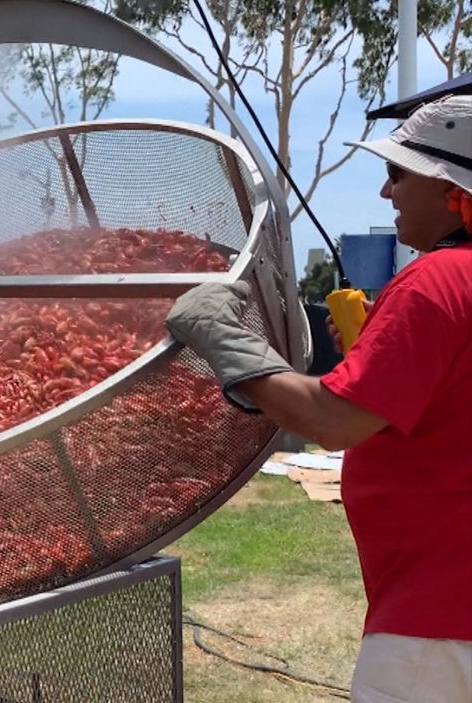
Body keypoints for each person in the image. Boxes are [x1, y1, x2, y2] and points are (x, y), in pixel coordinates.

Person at [165, 95, 472, 702]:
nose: (386, 192)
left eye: (397, 174)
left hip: (437, 625)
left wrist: (226, 341)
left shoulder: (436, 281)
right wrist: (379, 355)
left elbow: (332, 421)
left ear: (449, 190)